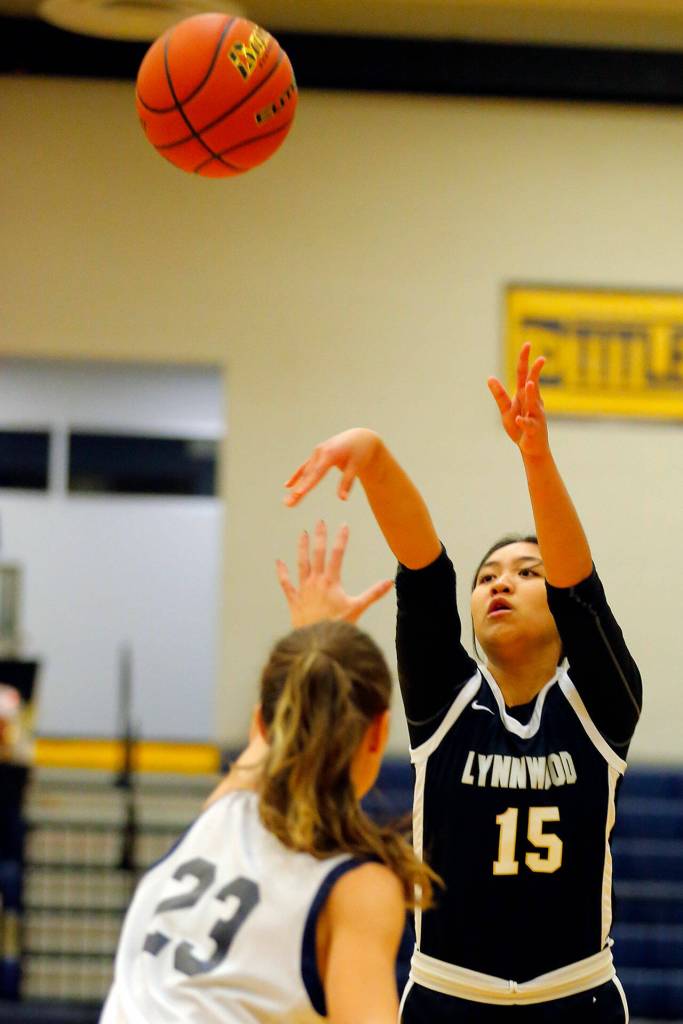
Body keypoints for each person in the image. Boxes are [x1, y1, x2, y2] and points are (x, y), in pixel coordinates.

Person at [282, 344, 643, 1023]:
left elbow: (580, 589)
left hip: (576, 998)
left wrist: (534, 458)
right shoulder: (444, 702)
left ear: (560, 612)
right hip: (447, 997)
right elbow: (423, 573)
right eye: (488, 577)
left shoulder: (601, 704)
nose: (500, 581)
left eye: (525, 572)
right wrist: (376, 458)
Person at [100, 525, 437, 1024]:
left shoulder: (223, 814)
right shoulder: (357, 886)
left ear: (260, 721)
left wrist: (311, 639)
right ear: (378, 730)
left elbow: (274, 733)